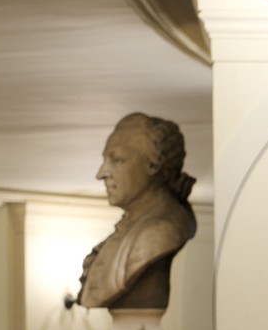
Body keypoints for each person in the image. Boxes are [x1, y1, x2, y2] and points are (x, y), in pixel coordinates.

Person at [78, 113, 196, 309]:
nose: (101, 173)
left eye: (117, 160)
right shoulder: (130, 231)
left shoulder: (160, 233)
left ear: (152, 164)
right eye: (105, 160)